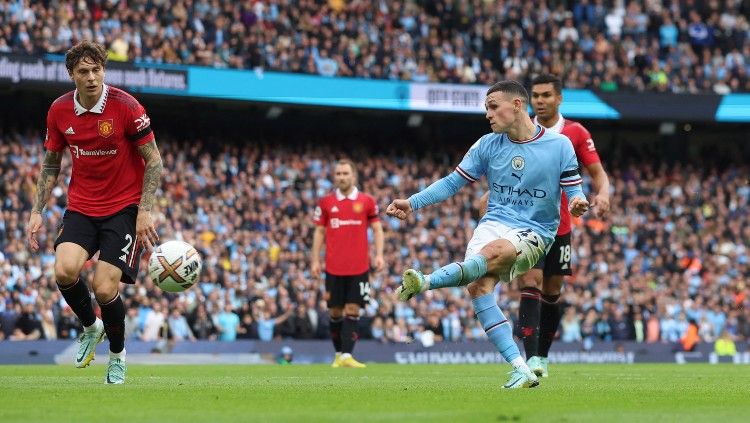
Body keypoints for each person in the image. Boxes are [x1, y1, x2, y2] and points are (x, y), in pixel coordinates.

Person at [386, 80, 589, 388]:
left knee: (496, 252)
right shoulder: (486, 144)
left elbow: (574, 190)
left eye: (493, 107)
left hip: (536, 230)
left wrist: (577, 201)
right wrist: (412, 203)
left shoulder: (559, 145)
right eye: (486, 109)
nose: (488, 115)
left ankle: (426, 282)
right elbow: (453, 182)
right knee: (479, 288)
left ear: (517, 105)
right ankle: (520, 367)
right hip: (494, 222)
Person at [25, 40, 163, 384]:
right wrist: (37, 210)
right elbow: (50, 163)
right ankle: (91, 327)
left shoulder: (126, 106)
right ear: (72, 74)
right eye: (83, 71)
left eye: (96, 70)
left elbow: (154, 160)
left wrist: (145, 211)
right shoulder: (58, 110)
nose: (91, 77)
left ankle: (117, 355)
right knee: (64, 271)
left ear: (104, 70)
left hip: (123, 209)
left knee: (103, 289)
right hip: (82, 207)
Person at [478, 74, 611, 378]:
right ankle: (530, 358)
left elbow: (597, 172)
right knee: (530, 283)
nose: (540, 100)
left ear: (559, 98)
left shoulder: (574, 134)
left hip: (561, 225)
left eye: (546, 95)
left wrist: (602, 194)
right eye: (536, 96)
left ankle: (543, 356)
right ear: (527, 100)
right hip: (524, 223)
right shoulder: (516, 130)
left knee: (553, 292)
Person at [311, 159, 384, 368]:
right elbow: (319, 232)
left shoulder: (367, 201)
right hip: (333, 267)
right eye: (338, 174)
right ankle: (338, 355)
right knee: (334, 312)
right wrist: (315, 260)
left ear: (353, 176)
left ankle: (346, 356)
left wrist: (379, 255)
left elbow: (377, 229)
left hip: (359, 268)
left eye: (345, 173)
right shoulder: (325, 202)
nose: (342, 177)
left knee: (353, 309)